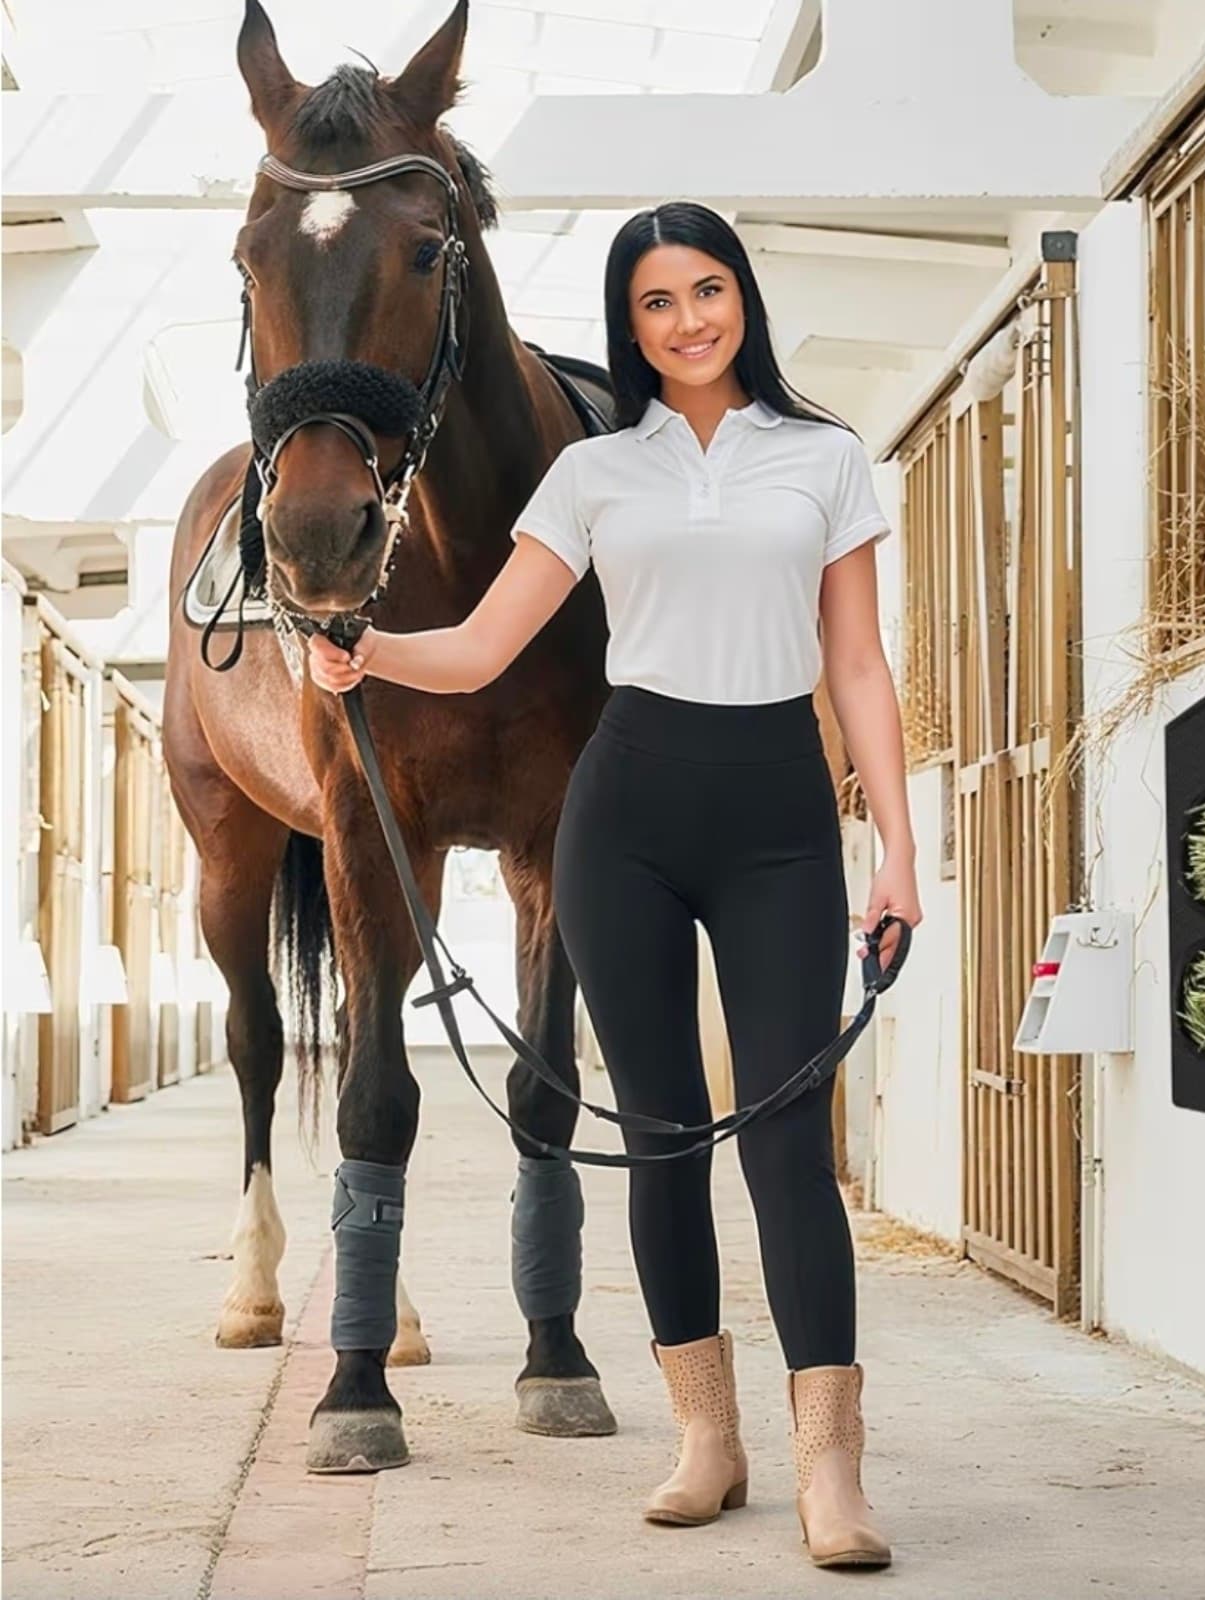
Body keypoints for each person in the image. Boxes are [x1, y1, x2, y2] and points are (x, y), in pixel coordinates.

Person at [307, 201, 922, 1570]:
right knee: (658, 1138)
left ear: (741, 299)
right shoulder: (595, 475)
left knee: (785, 1144)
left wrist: (895, 845)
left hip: (775, 814)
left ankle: (832, 1464)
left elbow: (862, 667)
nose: (689, 319)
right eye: (657, 301)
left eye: (708, 290)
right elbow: (474, 647)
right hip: (625, 811)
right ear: (628, 326)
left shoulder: (823, 458)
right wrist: (362, 652)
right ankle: (708, 1437)